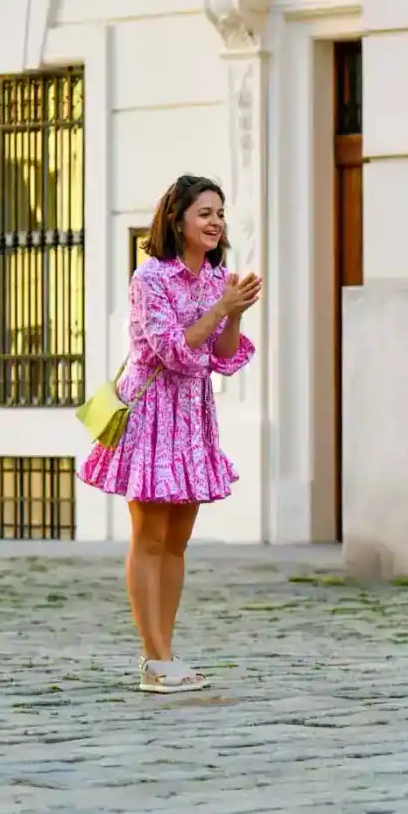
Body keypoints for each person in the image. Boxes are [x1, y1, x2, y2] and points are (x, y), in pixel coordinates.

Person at [79, 175, 261, 694]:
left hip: (192, 418)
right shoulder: (150, 279)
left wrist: (233, 311)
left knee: (177, 543)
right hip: (150, 416)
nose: (215, 222)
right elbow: (171, 349)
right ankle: (153, 659)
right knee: (150, 536)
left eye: (220, 213)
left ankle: (167, 652)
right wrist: (221, 310)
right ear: (177, 218)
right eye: (205, 212)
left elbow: (224, 357)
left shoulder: (216, 279)